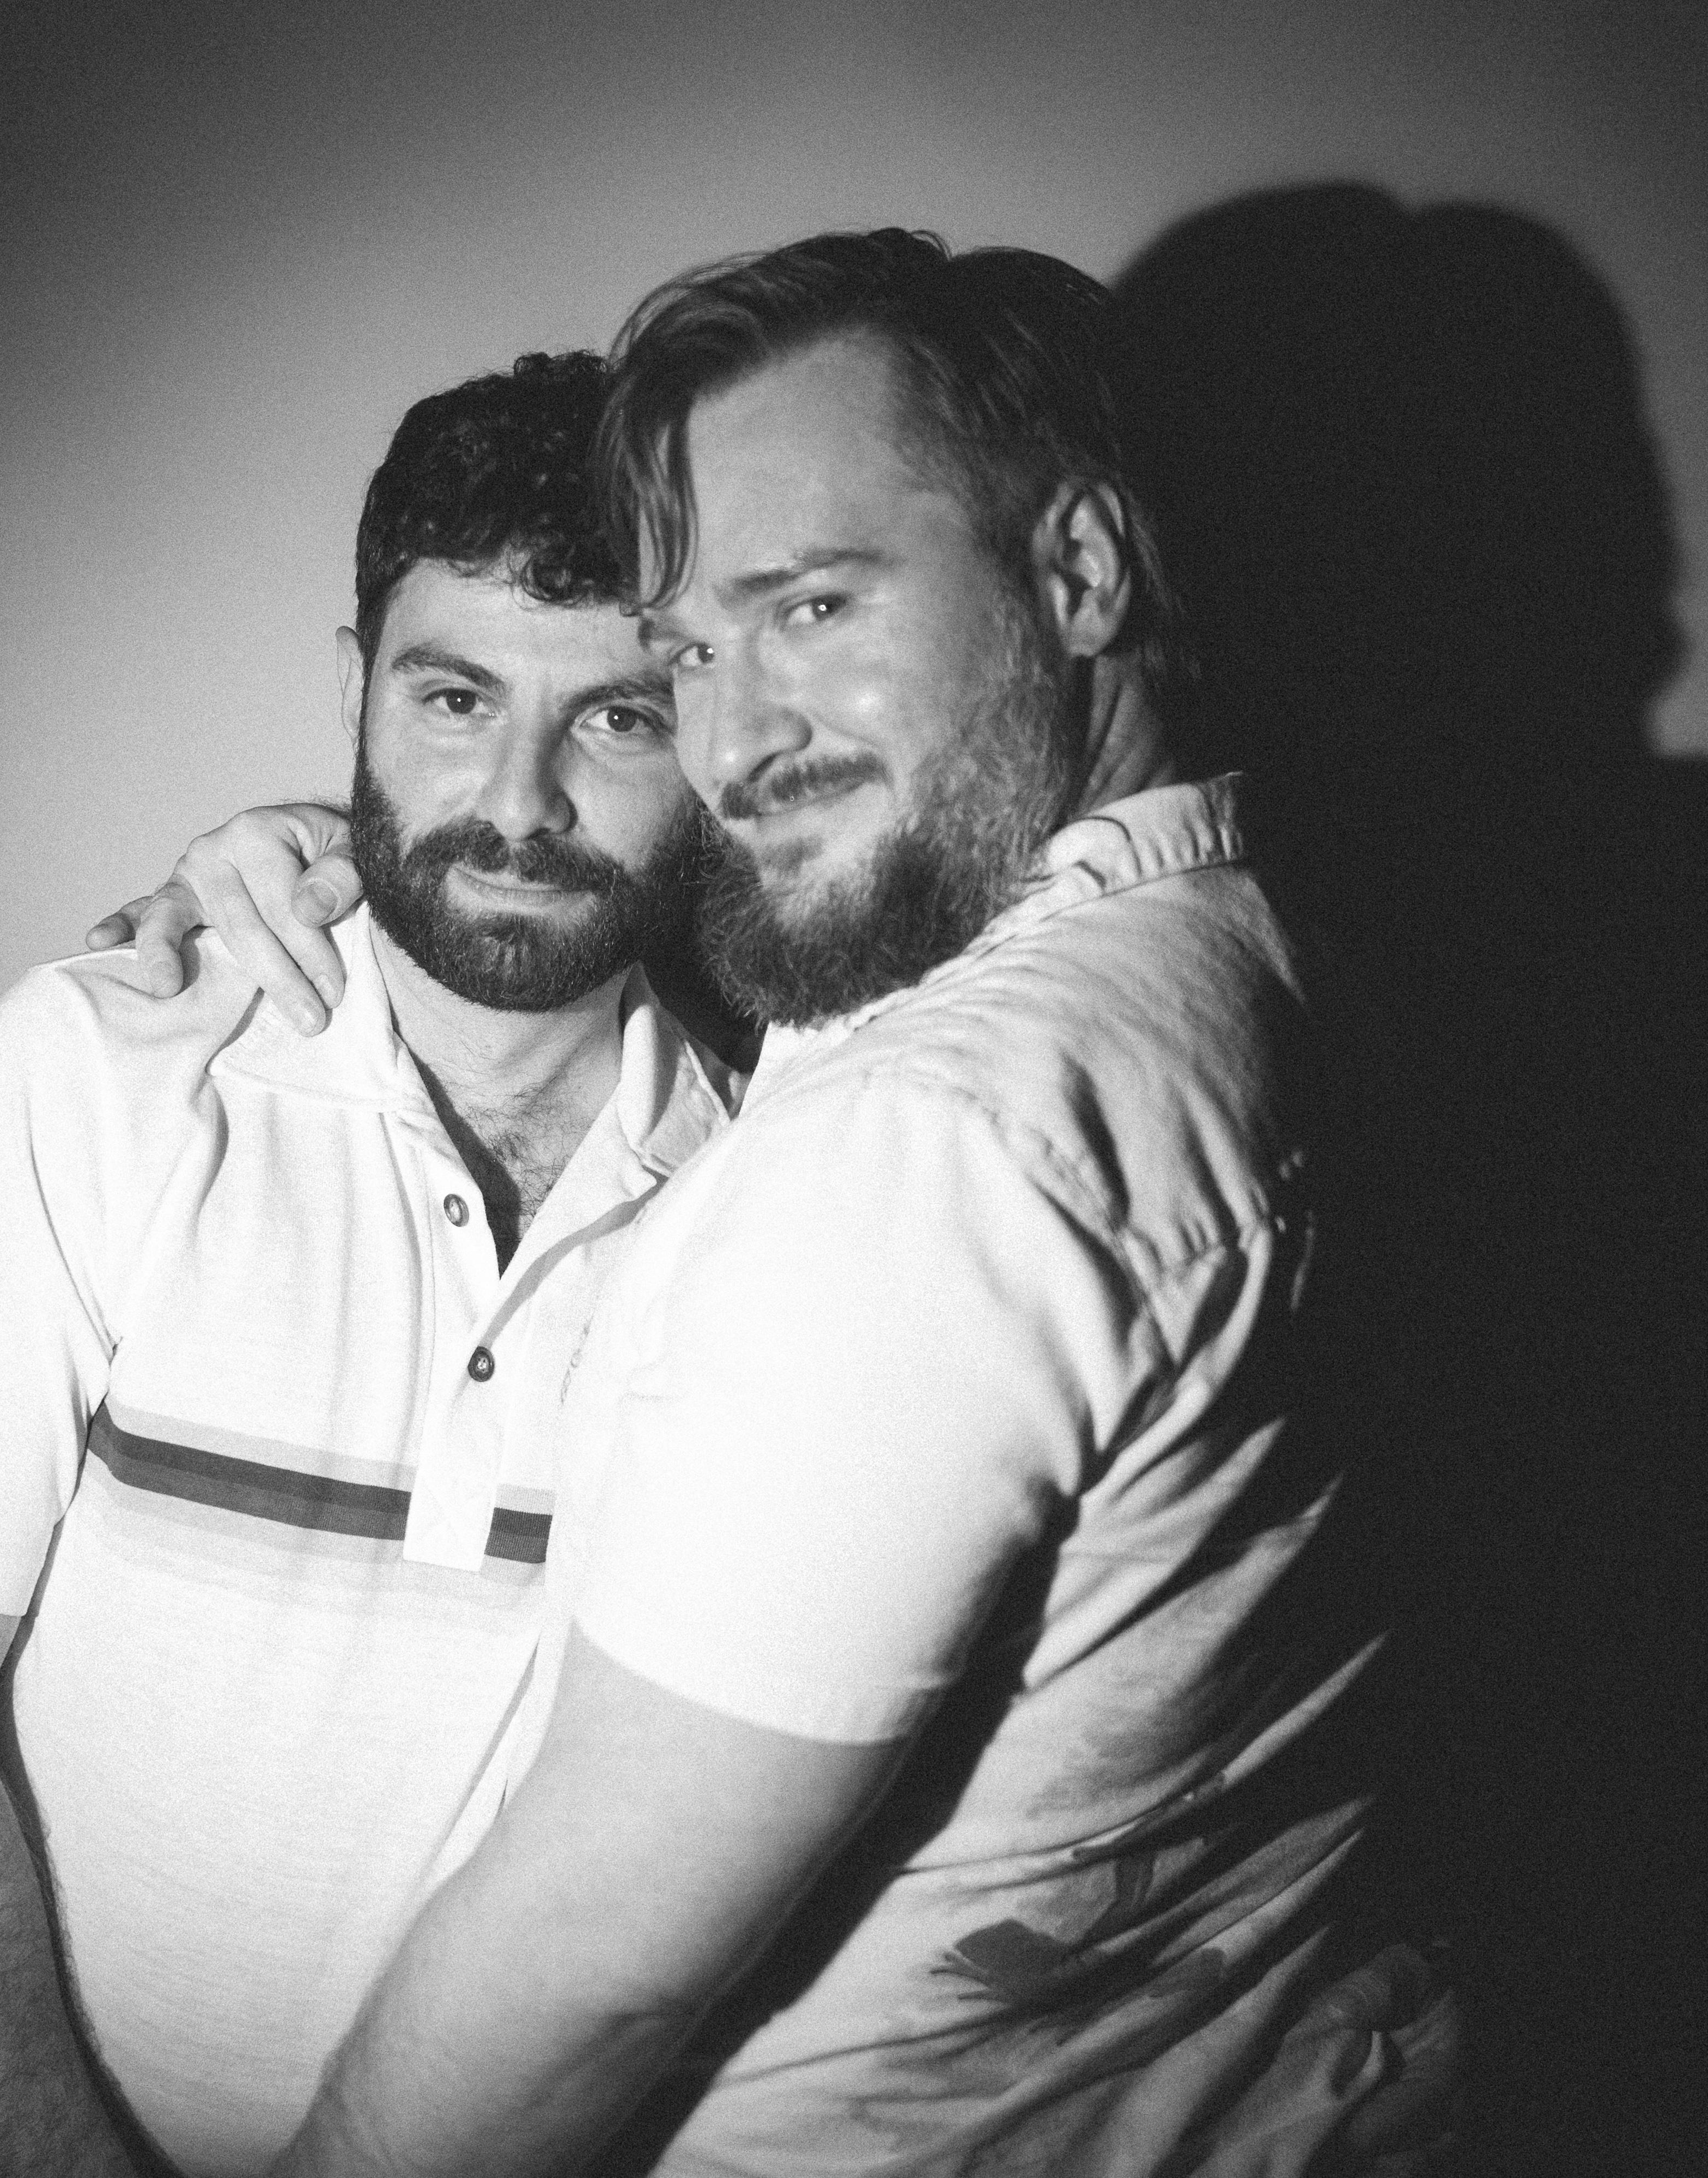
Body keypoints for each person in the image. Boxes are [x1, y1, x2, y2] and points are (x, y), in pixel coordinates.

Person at [115, 231, 1460, 2175]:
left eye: (813, 605)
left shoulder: (932, 1141)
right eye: (687, 658)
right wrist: (362, 866)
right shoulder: (1280, 951)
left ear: (1077, 573)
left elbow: (587, 1984)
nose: (734, 743)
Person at [0, 351, 740, 2178]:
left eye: (615, 720)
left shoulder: (788, 1196)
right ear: (357, 690)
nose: (516, 800)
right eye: (453, 697)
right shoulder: (106, 1062)